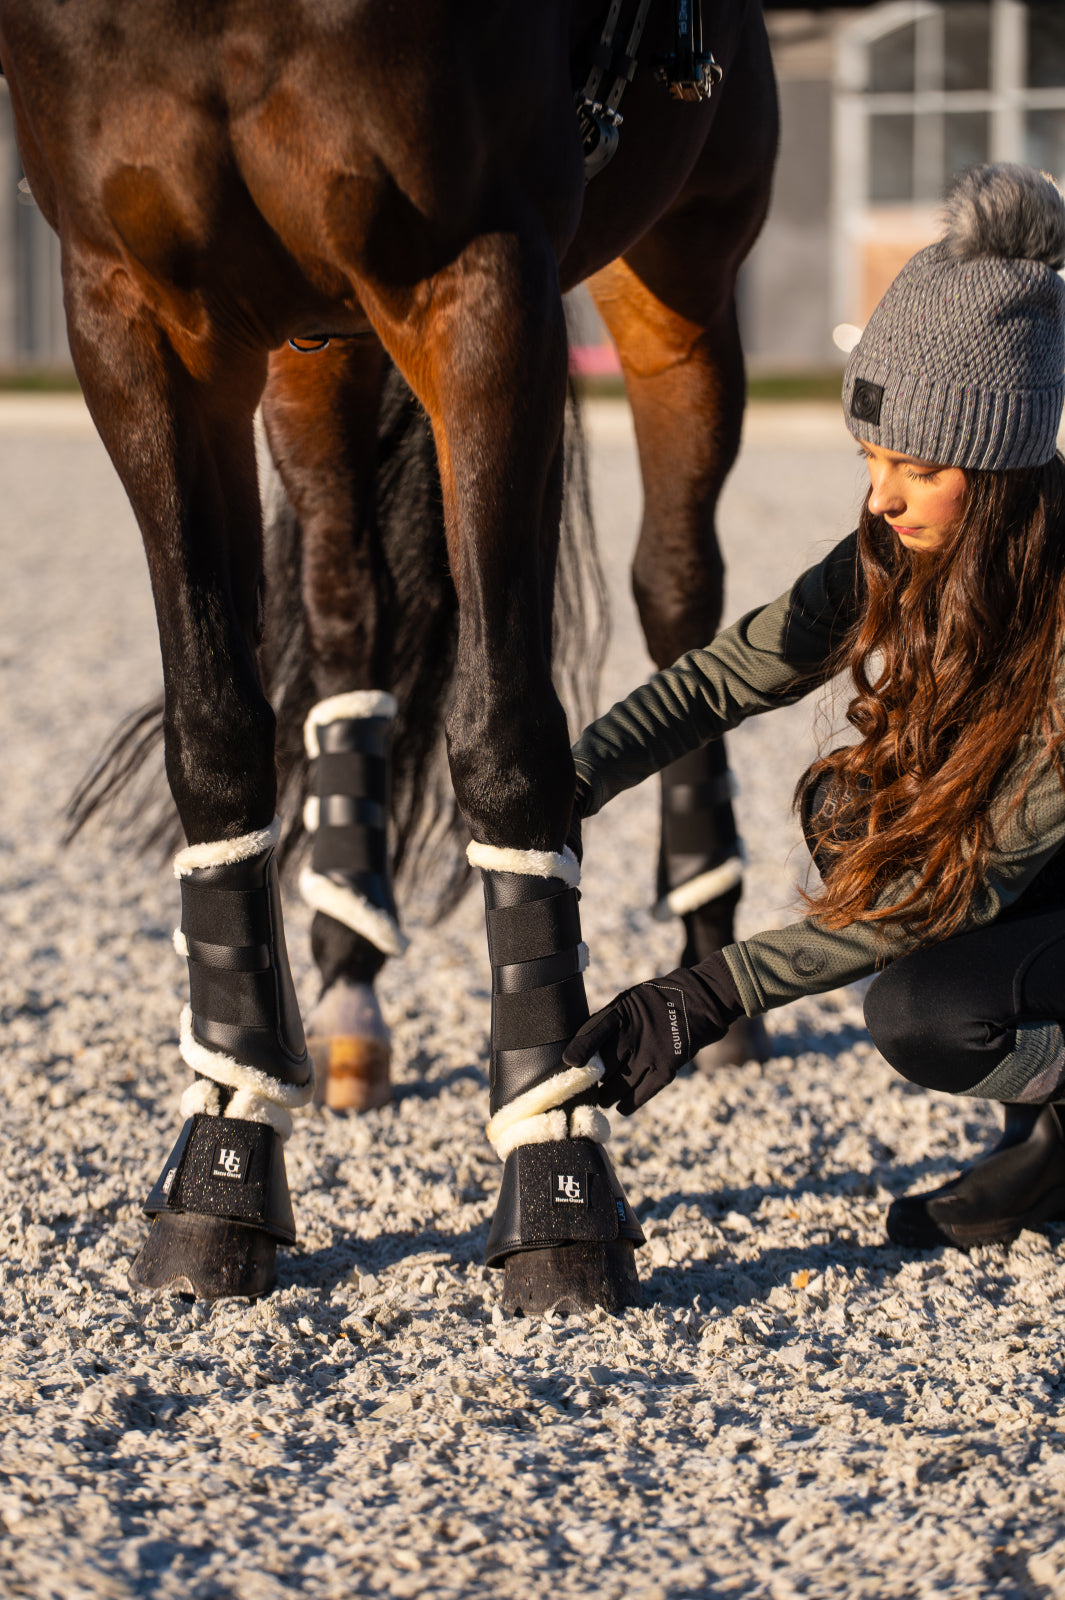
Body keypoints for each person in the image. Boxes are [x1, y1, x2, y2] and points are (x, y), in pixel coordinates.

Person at [563, 162, 1065, 1251]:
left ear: (1003, 465)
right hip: (1040, 874)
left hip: (1025, 861)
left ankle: (1054, 1127)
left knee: (927, 1017)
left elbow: (961, 875)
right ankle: (1045, 1140)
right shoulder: (907, 544)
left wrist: (710, 993)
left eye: (916, 464)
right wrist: (572, 776)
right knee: (851, 810)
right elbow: (727, 675)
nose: (879, 495)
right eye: (870, 457)